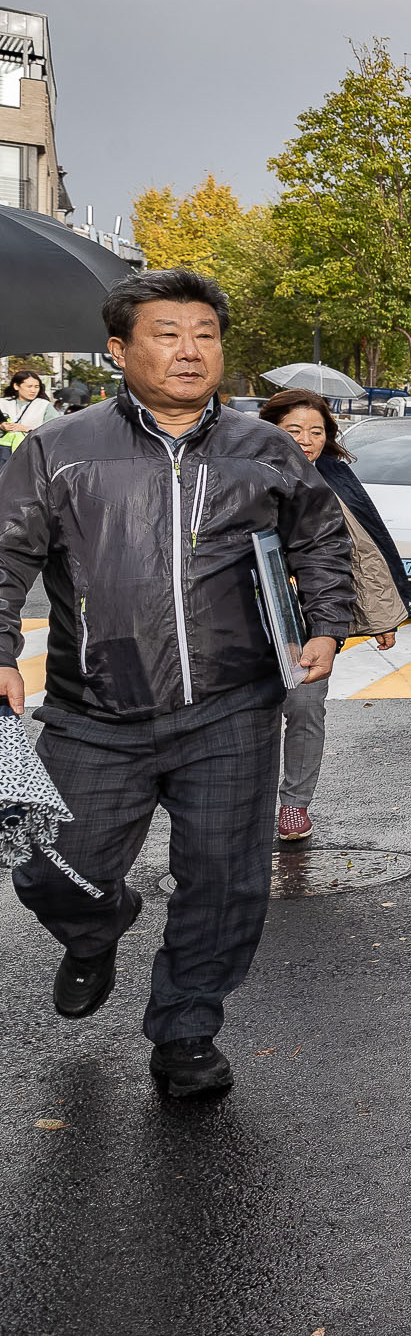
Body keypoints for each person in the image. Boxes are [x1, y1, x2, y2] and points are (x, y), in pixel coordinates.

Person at [0, 269, 354, 1099]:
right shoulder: (61, 447)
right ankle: (95, 929)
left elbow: (319, 539)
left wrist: (328, 623)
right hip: (95, 708)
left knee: (225, 880)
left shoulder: (261, 448)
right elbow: (6, 552)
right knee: (48, 860)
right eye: (167, 332)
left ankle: (188, 1029)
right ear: (119, 349)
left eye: (205, 333)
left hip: (234, 707)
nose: (190, 349)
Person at [259, 387, 411, 844]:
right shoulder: (242, 474)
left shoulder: (335, 476)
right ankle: (245, 802)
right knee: (250, 715)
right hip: (245, 612)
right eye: (294, 430)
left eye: (316, 430)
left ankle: (294, 804)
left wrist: (379, 615)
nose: (306, 439)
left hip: (311, 616)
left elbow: (365, 549)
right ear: (271, 429)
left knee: (305, 709)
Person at [1, 370, 54, 455]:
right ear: (16, 386)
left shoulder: (44, 405)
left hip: (31, 453)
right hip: (4, 453)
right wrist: (2, 426)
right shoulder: (3, 403)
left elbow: (55, 429)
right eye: (29, 386)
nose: (33, 390)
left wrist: (26, 429)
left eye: (36, 387)